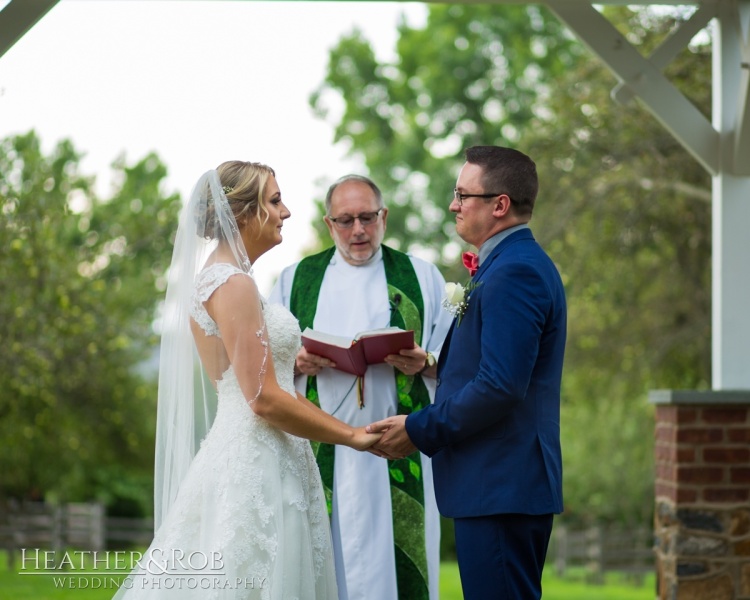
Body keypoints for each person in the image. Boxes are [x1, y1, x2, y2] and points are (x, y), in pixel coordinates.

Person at [114, 162, 380, 599]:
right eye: (275, 201)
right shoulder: (232, 283)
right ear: (241, 213)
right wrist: (351, 436)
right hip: (257, 465)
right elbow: (261, 399)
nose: (287, 212)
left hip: (257, 450)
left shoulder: (228, 281)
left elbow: (238, 387)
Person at [367, 146, 567, 600]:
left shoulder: (515, 271)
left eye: (462, 194)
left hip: (501, 484)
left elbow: (500, 386)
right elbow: (502, 367)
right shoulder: (507, 265)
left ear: (499, 205)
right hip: (500, 483)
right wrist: (433, 364)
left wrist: (418, 429)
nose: (453, 205)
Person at [268, 174, 452, 600]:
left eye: (367, 217)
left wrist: (424, 362)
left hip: (399, 445)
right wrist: (296, 362)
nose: (358, 231)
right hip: (321, 449)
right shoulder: (296, 280)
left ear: (383, 216)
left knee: (397, 568)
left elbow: (456, 365)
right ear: (329, 223)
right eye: (346, 220)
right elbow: (263, 367)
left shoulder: (421, 278)